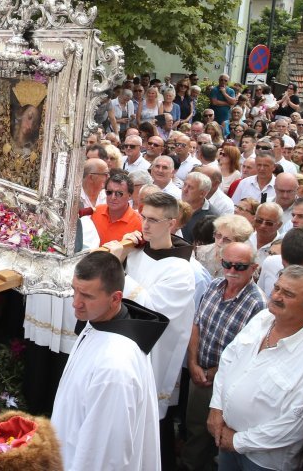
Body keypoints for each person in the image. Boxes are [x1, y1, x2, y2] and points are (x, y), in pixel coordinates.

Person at [208, 265, 303, 471]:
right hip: (226, 438)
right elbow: (229, 359)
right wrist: (217, 408)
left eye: (288, 294)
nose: (276, 296)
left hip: (264, 461)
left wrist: (238, 441)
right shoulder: (262, 319)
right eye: (277, 288)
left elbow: (293, 426)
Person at [50, 251, 167, 471]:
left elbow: (104, 455)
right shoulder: (97, 321)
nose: (75, 303)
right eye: (74, 290)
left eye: (87, 296)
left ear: (115, 298)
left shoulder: (115, 366)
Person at [105, 191, 195, 465]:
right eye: (144, 217)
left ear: (172, 223)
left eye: (154, 220)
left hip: (152, 354)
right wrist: (121, 258)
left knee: (147, 426)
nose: (145, 225)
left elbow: (152, 310)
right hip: (122, 343)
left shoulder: (182, 270)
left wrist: (116, 267)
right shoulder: (137, 250)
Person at [182, 243, 267, 471]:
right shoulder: (213, 285)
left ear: (253, 268)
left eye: (239, 266)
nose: (232, 270)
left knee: (215, 435)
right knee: (195, 429)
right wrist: (192, 363)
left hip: (226, 382)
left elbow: (249, 356)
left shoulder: (258, 304)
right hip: (199, 372)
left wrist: (212, 373)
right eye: (227, 264)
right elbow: (197, 325)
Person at [82, 169, 142, 246]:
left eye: (119, 193)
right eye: (109, 192)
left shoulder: (138, 222)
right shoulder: (97, 210)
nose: (113, 197)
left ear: (129, 196)